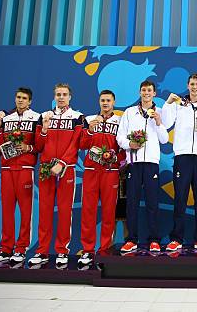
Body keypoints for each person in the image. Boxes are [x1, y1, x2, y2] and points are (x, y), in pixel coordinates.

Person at [28, 83, 84, 268]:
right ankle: (43, 251)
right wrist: (44, 130)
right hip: (45, 169)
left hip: (66, 168)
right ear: (54, 96)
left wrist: (62, 163)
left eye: (64, 94)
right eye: (58, 94)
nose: (61, 97)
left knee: (65, 210)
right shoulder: (44, 116)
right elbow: (38, 146)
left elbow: (76, 144)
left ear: (70, 97)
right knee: (44, 211)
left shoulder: (77, 117)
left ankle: (62, 250)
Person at [162, 74, 197, 252]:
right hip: (182, 156)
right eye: (191, 84)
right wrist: (168, 103)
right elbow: (167, 123)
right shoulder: (178, 105)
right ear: (187, 85)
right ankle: (176, 239)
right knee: (180, 199)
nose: (194, 87)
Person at [0, 88, 40, 267]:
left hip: (26, 168)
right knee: (7, 210)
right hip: (7, 169)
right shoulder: (6, 118)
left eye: (24, 98)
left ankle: (21, 248)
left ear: (30, 101)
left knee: (26, 211)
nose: (20, 100)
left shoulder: (36, 117)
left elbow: (40, 145)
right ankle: (5, 248)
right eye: (18, 97)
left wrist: (28, 149)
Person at [117, 80, 169, 253]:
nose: (146, 93)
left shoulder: (159, 112)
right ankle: (131, 239)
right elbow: (120, 137)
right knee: (132, 202)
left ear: (154, 93)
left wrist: (159, 122)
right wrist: (129, 144)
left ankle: (154, 239)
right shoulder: (130, 112)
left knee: (153, 203)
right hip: (134, 163)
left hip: (152, 164)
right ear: (140, 92)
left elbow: (164, 139)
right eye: (143, 90)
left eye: (149, 90)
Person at [78, 90, 124, 266]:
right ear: (99, 102)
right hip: (91, 170)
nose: (105, 103)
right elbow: (82, 144)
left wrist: (116, 159)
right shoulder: (89, 119)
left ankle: (104, 249)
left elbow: (124, 149)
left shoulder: (119, 121)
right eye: (102, 100)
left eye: (108, 100)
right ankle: (88, 250)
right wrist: (89, 131)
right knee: (88, 211)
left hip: (110, 172)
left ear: (113, 102)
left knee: (108, 212)